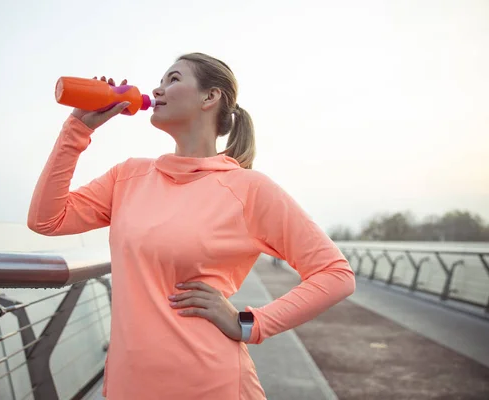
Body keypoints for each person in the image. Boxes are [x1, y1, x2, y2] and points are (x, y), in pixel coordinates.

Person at [27, 52, 356, 400]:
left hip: (210, 384)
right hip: (130, 384)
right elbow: (47, 219)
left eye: (173, 79)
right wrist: (78, 128)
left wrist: (249, 323)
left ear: (210, 97)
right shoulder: (129, 176)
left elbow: (335, 274)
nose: (158, 88)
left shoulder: (248, 188)